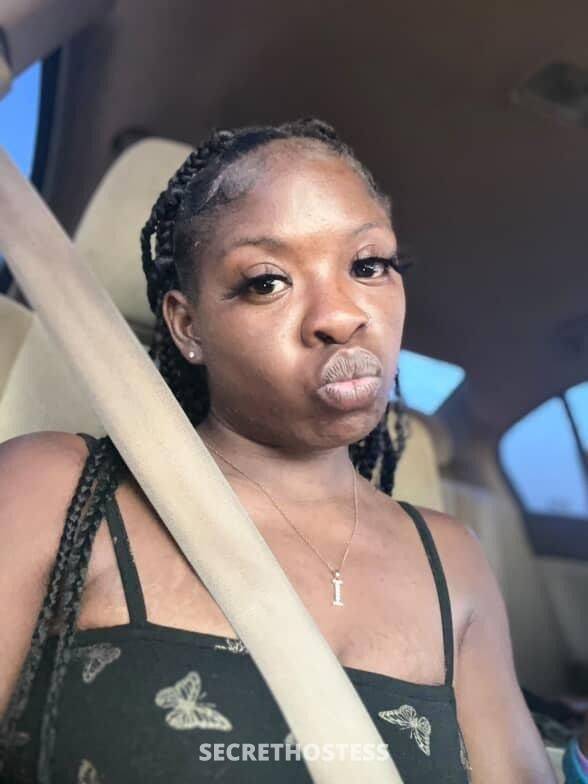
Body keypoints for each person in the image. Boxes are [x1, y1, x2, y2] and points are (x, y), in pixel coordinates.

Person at [0, 118, 556, 783]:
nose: (341, 316)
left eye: (368, 266)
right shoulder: (55, 491)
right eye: (267, 281)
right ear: (187, 326)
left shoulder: (454, 560)